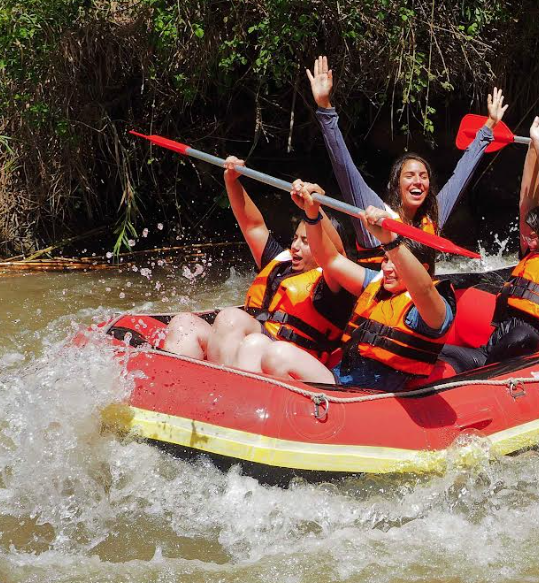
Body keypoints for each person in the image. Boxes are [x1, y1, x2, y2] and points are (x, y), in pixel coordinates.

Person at [249, 182, 456, 391]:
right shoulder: (376, 283)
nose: (387, 268)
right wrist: (312, 214)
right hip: (338, 381)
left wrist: (391, 243)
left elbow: (423, 289)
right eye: (385, 260)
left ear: (423, 267)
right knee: (257, 345)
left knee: (278, 356)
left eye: (395, 261)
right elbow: (330, 260)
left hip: (366, 396)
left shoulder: (435, 310)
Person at [307, 55, 507, 266]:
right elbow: (344, 168)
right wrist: (325, 107)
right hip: (382, 296)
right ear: (397, 185)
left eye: (423, 177)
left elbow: (461, 176)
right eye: (409, 176)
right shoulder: (375, 213)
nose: (418, 182)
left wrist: (488, 127)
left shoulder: (433, 216)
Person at [161, 157, 354, 370]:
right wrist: (232, 181)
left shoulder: (337, 281)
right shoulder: (281, 263)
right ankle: (168, 391)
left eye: (307, 242)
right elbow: (253, 226)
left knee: (232, 320)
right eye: (296, 238)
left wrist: (314, 208)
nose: (296, 246)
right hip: (248, 349)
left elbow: (338, 254)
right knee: (184, 324)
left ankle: (225, 390)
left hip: (284, 360)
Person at [442, 111, 539, 371]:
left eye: (536, 237)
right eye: (529, 236)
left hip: (533, 353)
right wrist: (534, 146)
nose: (529, 241)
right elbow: (526, 201)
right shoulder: (535, 252)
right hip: (492, 352)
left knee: (521, 336)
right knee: (434, 350)